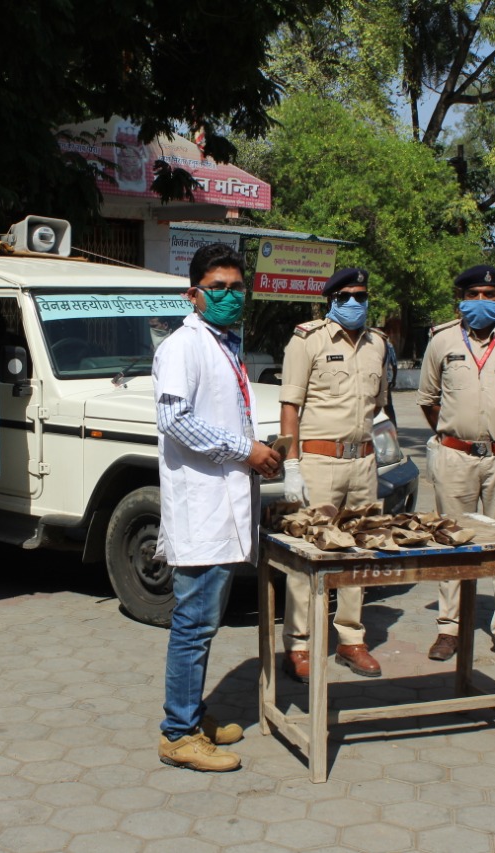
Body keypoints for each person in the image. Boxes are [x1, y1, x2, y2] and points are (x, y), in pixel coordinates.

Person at [154, 242, 281, 771]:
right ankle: (178, 734)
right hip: (201, 508)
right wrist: (245, 450)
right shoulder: (183, 346)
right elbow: (176, 420)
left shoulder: (225, 343)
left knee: (204, 619)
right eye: (218, 288)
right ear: (194, 295)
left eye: (236, 287)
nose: (230, 296)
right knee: (195, 622)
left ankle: (192, 712)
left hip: (224, 504)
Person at [418, 265, 495, 666]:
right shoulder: (440, 340)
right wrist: (456, 434)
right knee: (452, 541)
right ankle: (449, 628)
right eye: (474, 294)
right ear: (461, 298)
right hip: (455, 456)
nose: (482, 302)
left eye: (490, 294)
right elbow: (427, 400)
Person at [279, 267, 390, 683]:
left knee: (360, 552)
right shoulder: (307, 340)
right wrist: (291, 464)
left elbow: (379, 407)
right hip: (319, 462)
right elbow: (290, 406)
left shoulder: (378, 343)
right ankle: (300, 644)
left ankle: (350, 639)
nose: (356, 303)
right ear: (331, 300)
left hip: (363, 463)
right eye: (347, 296)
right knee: (312, 554)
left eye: (362, 295)